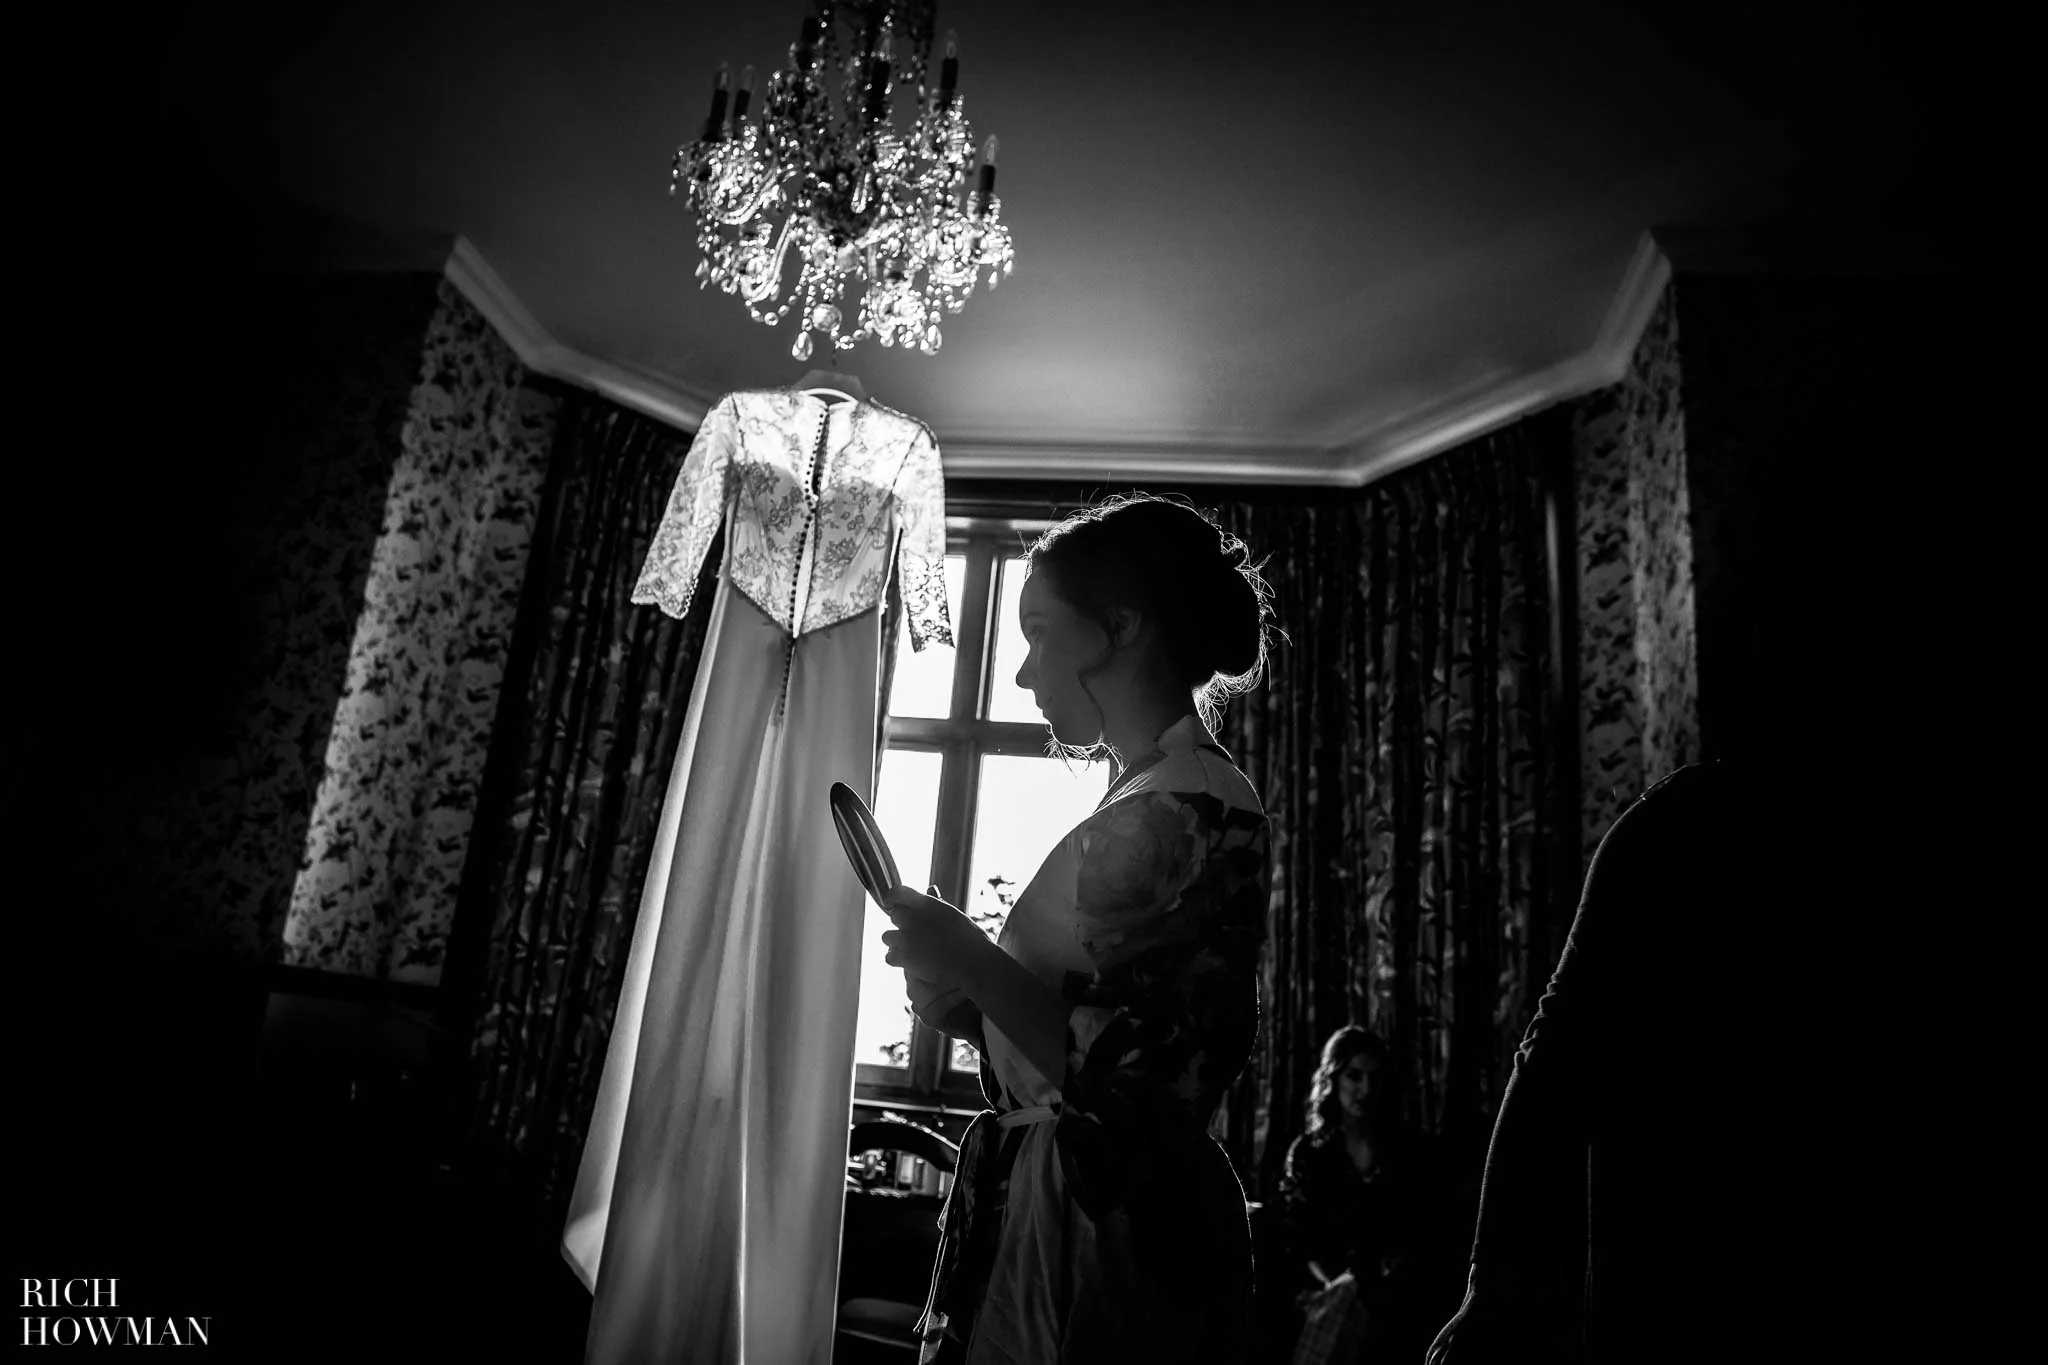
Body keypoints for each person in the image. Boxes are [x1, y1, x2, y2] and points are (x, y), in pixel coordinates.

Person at [875, 493, 1277, 1364]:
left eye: (1039, 630)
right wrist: (969, 1009)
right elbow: (1075, 1044)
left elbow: (1132, 1084)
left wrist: (975, 961)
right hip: (1065, 1219)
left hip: (1110, 1240)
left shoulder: (1190, 806)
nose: (1022, 672)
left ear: (1119, 626)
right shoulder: (1152, 795)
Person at [1279, 1026, 1449, 1364]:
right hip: (1329, 1287)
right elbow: (1299, 1234)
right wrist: (1333, 1283)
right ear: (1333, 1079)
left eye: (1374, 1077)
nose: (1365, 1090)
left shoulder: (1410, 1148)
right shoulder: (1310, 1153)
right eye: (1353, 1076)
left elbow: (1425, 1228)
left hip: (1394, 1287)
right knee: (1341, 1302)